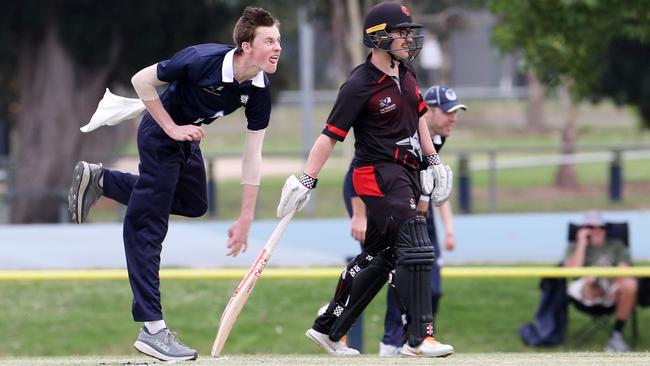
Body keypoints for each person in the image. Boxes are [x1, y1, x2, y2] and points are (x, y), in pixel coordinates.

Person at [66, 7, 281, 361]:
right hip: (160, 135)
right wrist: (171, 128)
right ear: (246, 46)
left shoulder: (259, 90)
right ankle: (153, 330)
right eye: (268, 41)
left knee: (195, 203)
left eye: (278, 41)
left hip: (186, 140)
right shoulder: (201, 60)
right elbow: (141, 80)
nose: (277, 48)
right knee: (146, 227)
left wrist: (246, 218)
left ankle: (101, 179)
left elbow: (252, 156)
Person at [277, 1, 453, 358]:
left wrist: (432, 160)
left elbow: (420, 115)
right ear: (378, 38)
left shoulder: (405, 73)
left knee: (381, 255)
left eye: (408, 32)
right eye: (400, 32)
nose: (407, 38)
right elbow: (330, 135)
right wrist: (307, 181)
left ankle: (329, 328)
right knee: (417, 245)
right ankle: (419, 337)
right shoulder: (358, 84)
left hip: (405, 172)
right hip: (376, 174)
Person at [342, 85, 466, 356]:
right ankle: (345, 322)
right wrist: (360, 215)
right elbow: (358, 169)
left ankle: (406, 340)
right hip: (369, 191)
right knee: (387, 269)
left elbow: (423, 182)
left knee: (413, 274)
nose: (453, 118)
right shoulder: (404, 127)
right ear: (427, 110)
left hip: (401, 197)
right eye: (447, 112)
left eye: (456, 112)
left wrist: (424, 221)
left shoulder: (438, 138)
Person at [564, 210, 638, 352]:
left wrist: (609, 280)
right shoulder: (575, 245)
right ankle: (596, 285)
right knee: (590, 281)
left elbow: (625, 270)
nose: (596, 231)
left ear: (605, 229)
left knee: (629, 284)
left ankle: (617, 334)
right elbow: (571, 271)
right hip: (585, 288)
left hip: (611, 286)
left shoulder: (616, 245)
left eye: (600, 228)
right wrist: (582, 243)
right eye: (590, 228)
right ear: (584, 230)